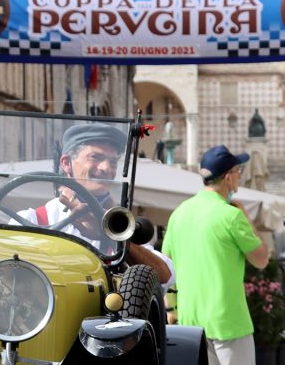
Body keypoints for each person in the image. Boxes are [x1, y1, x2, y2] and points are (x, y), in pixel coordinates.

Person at [162, 144, 270, 365]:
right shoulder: (230, 214)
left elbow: (168, 266)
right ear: (228, 177)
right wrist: (248, 219)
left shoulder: (180, 214)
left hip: (193, 315)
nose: (240, 175)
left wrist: (172, 310)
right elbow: (262, 259)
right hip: (226, 314)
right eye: (238, 171)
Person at [16, 123, 174, 288]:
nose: (106, 168)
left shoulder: (119, 225)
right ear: (66, 163)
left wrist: (109, 234)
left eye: (113, 161)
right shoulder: (31, 220)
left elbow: (165, 276)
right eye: (95, 157)